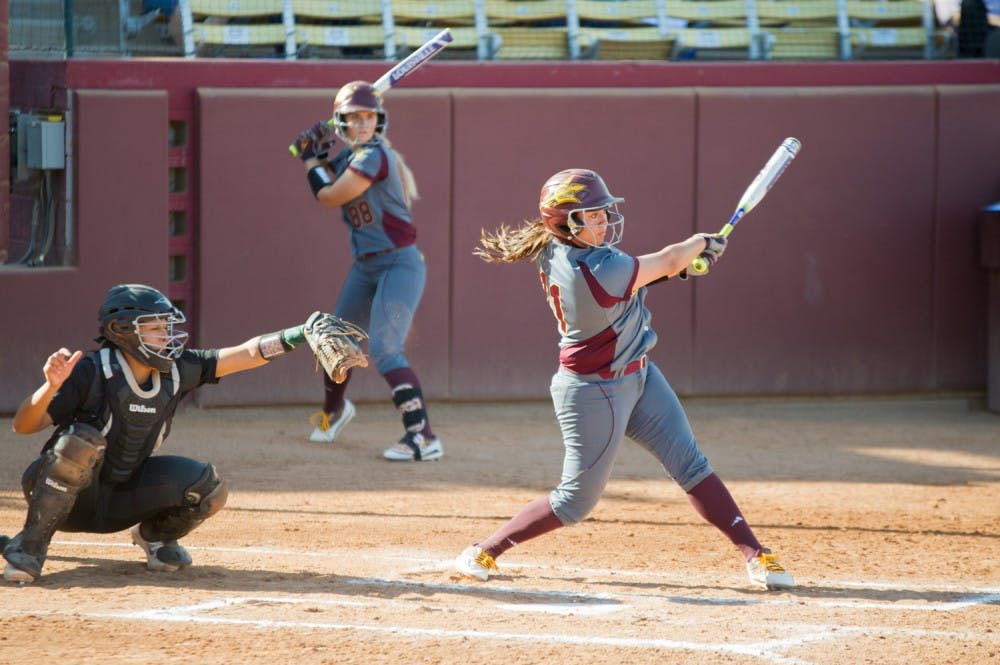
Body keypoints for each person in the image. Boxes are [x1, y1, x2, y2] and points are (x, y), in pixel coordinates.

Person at [453, 168, 794, 590]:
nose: (602, 223)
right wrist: (701, 244)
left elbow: (646, 277)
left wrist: (682, 268)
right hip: (593, 392)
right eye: (590, 217)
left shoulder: (560, 249)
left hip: (639, 376)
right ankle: (485, 549)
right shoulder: (598, 267)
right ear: (564, 224)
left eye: (602, 214)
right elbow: (666, 259)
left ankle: (755, 554)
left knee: (690, 463)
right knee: (575, 502)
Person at [2, 284, 340, 583]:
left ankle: (156, 537)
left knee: (208, 489)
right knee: (79, 442)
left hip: (121, 498)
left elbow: (247, 353)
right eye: (156, 328)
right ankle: (29, 546)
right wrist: (50, 386)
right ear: (122, 330)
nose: (167, 336)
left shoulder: (178, 369)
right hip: (67, 496)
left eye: (167, 326)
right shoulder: (91, 371)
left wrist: (299, 334)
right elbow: (23, 425)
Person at [292, 80, 442, 462]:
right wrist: (319, 154)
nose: (362, 124)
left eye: (369, 117)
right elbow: (330, 177)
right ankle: (334, 413)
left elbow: (329, 196)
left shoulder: (372, 156)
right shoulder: (349, 159)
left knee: (386, 350)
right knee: (334, 342)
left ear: (379, 122)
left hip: (398, 263)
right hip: (366, 265)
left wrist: (310, 160)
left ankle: (423, 437)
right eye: (354, 118)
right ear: (340, 123)